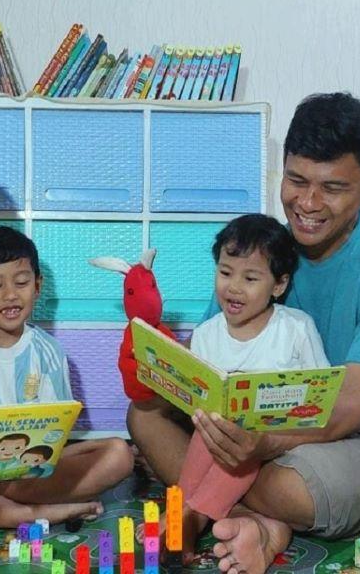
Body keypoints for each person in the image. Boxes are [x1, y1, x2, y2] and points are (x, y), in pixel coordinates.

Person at [128, 92, 360, 574]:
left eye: (332, 187)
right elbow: (208, 352)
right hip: (248, 426)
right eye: (295, 180)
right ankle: (258, 522)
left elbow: (350, 405)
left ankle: (239, 513)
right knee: (144, 417)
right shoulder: (260, 249)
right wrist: (161, 370)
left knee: (286, 486)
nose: (307, 204)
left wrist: (264, 445)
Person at [133, 214, 330, 561]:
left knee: (238, 442)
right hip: (215, 439)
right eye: (225, 273)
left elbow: (321, 395)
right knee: (212, 432)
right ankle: (185, 511)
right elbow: (193, 394)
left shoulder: (296, 329)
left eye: (250, 278)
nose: (234, 287)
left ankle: (189, 515)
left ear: (279, 285)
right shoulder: (207, 333)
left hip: (279, 444)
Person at [0, 225, 134, 517]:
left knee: (119, 453)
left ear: (37, 287)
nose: (10, 295)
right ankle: (43, 509)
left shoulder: (48, 351)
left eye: (22, 283)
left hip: (31, 467)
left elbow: (59, 431)